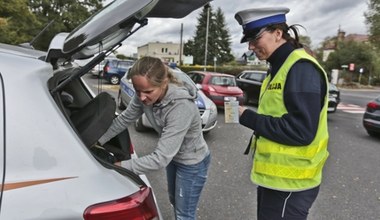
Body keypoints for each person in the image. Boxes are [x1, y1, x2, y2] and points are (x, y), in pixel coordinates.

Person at [234, 7, 329, 220]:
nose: (251, 46)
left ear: (278, 33)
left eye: (255, 37)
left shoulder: (300, 68)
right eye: (248, 40)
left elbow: (301, 131)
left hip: (292, 184)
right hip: (278, 180)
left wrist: (247, 117)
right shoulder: (278, 67)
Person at [98, 56, 211, 220]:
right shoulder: (143, 94)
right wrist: (97, 141)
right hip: (174, 157)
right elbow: (124, 119)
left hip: (192, 162)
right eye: (137, 91)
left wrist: (118, 166)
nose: (142, 97)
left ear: (164, 83)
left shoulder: (181, 106)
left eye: (148, 92)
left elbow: (160, 158)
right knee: (174, 201)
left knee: (184, 214)